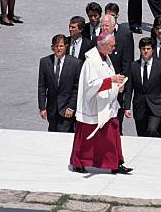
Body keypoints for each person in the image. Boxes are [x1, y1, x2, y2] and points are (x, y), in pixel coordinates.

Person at [69, 32, 132, 175]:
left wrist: (117, 84)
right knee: (86, 137)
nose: (114, 48)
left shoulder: (106, 57)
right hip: (92, 106)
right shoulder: (91, 61)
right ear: (102, 45)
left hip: (106, 104)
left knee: (112, 134)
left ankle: (116, 163)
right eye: (111, 45)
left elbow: (108, 77)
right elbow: (90, 85)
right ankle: (79, 162)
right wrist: (111, 81)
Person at [124, 37, 161, 137]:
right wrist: (127, 107)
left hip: (156, 106)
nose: (146, 51)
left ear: (153, 50)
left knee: (152, 130)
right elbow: (129, 88)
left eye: (148, 49)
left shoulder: (160, 66)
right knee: (142, 135)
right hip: (140, 107)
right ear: (140, 50)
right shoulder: (133, 66)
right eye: (143, 49)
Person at [37, 34, 82, 132]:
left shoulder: (75, 63)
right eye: (56, 46)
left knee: (64, 135)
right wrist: (42, 107)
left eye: (61, 46)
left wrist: (71, 107)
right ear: (52, 47)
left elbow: (77, 88)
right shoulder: (45, 62)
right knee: (52, 135)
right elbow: (42, 86)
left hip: (67, 109)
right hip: (52, 109)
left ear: (66, 46)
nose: (58, 48)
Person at [100, 12, 134, 135]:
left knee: (116, 120)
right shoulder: (96, 40)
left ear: (113, 26)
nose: (104, 28)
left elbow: (126, 63)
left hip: (117, 86)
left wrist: (122, 82)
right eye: (102, 25)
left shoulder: (122, 40)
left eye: (107, 26)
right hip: (102, 87)